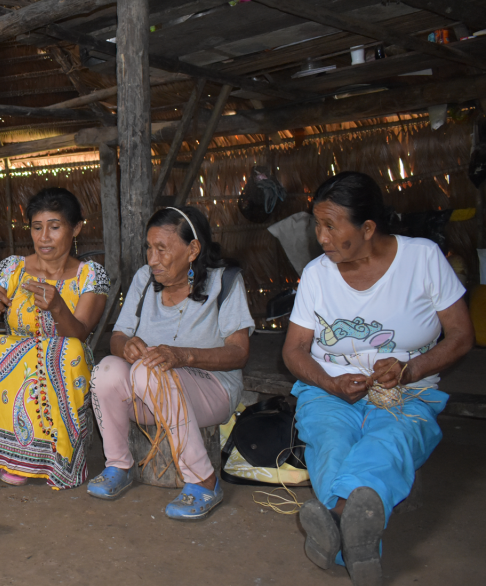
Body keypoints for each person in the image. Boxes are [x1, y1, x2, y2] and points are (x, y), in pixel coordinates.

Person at [282, 171, 472, 586]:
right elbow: (294, 351)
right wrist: (330, 384)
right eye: (318, 223)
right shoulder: (317, 274)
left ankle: (335, 519)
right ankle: (362, 545)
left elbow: (461, 336)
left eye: (332, 225)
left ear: (368, 228)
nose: (321, 236)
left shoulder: (422, 259)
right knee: (331, 441)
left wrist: (410, 371)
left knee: (390, 437)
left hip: (406, 392)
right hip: (328, 391)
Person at [89, 206, 253, 520]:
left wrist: (183, 356)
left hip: (212, 392)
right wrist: (128, 346)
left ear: (193, 249)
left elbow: (239, 353)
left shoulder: (225, 282)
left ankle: (203, 480)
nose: (152, 259)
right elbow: (118, 337)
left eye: (162, 249)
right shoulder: (143, 279)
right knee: (107, 369)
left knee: (149, 370)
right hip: (149, 391)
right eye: (149, 248)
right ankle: (118, 465)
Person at [0, 187, 108, 488]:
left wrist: (58, 306)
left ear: (76, 228)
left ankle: (59, 456)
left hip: (66, 366)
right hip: (18, 373)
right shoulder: (12, 269)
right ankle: (16, 453)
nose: (44, 237)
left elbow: (80, 333)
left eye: (55, 227)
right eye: (37, 227)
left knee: (67, 350)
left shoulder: (91, 275)